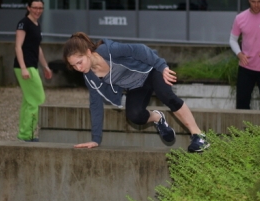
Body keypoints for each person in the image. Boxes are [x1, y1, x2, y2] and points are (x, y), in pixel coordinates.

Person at [63, 32, 209, 153]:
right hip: (136, 87)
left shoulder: (108, 50)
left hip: (150, 71)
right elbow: (95, 105)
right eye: (73, 66)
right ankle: (158, 118)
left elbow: (138, 49)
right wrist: (95, 139)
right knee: (134, 115)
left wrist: (161, 66)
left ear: (88, 52)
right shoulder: (90, 77)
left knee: (166, 96)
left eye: (79, 62)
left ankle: (198, 135)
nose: (78, 68)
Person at [14, 0, 52, 141]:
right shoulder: (24, 23)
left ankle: (23, 134)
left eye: (40, 8)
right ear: (28, 8)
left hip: (31, 66)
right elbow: (18, 46)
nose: (38, 10)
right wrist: (23, 67)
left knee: (28, 101)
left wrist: (45, 67)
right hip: (25, 66)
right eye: (35, 7)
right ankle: (27, 135)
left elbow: (37, 48)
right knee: (37, 99)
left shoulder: (36, 25)